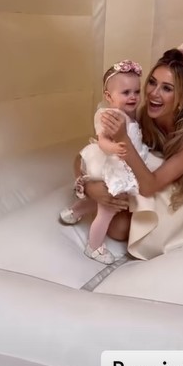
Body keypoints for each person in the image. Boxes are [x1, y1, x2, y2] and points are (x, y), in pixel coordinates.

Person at [85, 44, 183, 261]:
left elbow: (148, 186)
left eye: (167, 88)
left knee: (120, 228)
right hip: (157, 178)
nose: (154, 93)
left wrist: (123, 139)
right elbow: (91, 151)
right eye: (153, 83)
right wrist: (90, 188)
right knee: (116, 224)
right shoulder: (143, 116)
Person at [59, 59, 148, 264]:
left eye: (136, 91)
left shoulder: (131, 116)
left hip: (123, 164)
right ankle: (94, 246)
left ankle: (75, 211)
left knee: (108, 201)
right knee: (109, 208)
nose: (133, 97)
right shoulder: (111, 115)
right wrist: (114, 148)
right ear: (109, 96)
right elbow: (102, 141)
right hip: (111, 165)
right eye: (126, 93)